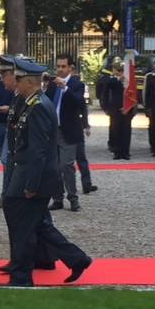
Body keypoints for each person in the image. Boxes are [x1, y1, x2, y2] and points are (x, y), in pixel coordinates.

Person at [3, 58, 91, 286]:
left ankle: (21, 278)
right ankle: (76, 258)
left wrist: (31, 185)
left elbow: (38, 151)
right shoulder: (31, 102)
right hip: (24, 172)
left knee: (23, 226)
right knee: (35, 223)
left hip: (34, 177)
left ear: (30, 82)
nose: (16, 83)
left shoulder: (39, 106)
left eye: (19, 80)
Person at [45, 54, 85, 212]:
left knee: (66, 165)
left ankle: (73, 197)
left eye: (63, 66)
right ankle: (57, 198)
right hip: (53, 130)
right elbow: (46, 102)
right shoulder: (53, 84)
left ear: (70, 68)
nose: (60, 69)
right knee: (53, 167)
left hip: (68, 130)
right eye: (58, 66)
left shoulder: (76, 84)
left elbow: (79, 102)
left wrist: (65, 88)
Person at [102, 62, 133, 160]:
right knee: (116, 131)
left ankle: (126, 152)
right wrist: (106, 107)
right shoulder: (112, 80)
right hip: (115, 109)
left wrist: (130, 107)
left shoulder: (129, 80)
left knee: (126, 131)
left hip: (127, 109)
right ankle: (117, 152)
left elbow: (133, 94)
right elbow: (105, 92)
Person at [76, 103, 98, 193]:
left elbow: (83, 108)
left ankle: (86, 185)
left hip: (76, 128)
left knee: (81, 158)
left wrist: (86, 126)